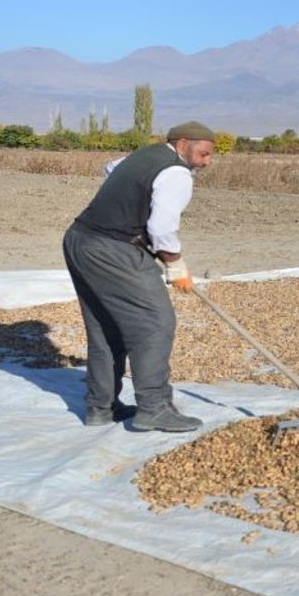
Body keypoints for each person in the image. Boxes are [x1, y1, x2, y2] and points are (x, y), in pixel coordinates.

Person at [62, 121, 215, 432]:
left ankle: (101, 408)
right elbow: (161, 228)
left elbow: (111, 168)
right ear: (182, 144)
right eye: (203, 154)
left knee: (106, 327)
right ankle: (154, 408)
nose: (206, 162)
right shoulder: (177, 173)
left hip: (80, 240)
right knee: (155, 323)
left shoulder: (144, 155)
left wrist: (128, 206)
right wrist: (175, 266)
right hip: (114, 249)